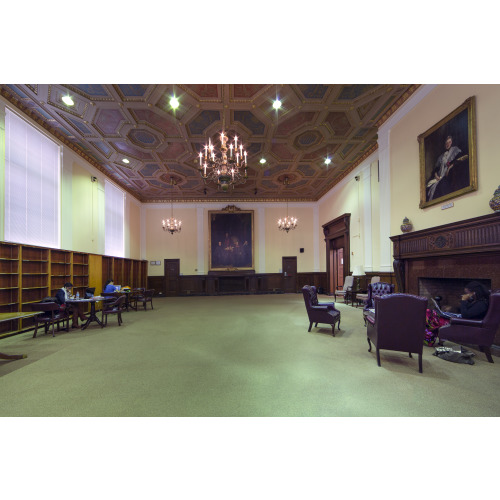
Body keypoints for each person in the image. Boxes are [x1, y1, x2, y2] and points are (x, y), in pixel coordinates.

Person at [425, 281, 490, 346]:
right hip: (460, 320)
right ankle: (429, 338)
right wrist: (451, 308)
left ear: (474, 293)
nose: (466, 295)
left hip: (463, 324)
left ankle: (429, 339)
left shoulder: (482, 304)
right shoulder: (477, 301)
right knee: (430, 312)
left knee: (430, 314)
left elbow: (465, 315)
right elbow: (464, 311)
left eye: (467, 293)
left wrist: (464, 301)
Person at [426, 135, 469, 201]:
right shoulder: (441, 156)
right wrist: (436, 175)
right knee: (429, 186)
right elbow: (436, 168)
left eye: (449, 142)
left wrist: (449, 168)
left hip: (449, 174)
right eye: (446, 143)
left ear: (452, 142)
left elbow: (459, 160)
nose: (447, 144)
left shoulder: (455, 150)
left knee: (442, 185)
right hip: (440, 176)